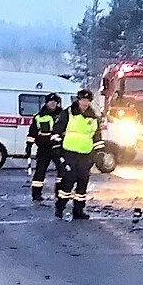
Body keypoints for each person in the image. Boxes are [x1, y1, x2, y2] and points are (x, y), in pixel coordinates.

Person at [56, 90, 100, 220]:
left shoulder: (93, 117)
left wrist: (97, 153)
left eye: (87, 101)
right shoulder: (68, 113)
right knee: (68, 181)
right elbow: (58, 130)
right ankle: (60, 207)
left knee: (82, 182)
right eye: (82, 100)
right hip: (69, 152)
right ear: (78, 100)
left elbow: (97, 135)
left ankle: (78, 210)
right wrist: (57, 150)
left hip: (85, 154)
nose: (84, 103)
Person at [26, 92, 66, 202]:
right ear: (46, 103)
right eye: (50, 101)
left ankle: (60, 193)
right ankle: (36, 194)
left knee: (62, 172)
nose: (53, 104)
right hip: (44, 148)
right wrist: (29, 145)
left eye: (55, 102)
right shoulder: (39, 116)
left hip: (58, 148)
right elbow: (32, 132)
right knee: (40, 171)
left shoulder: (63, 115)